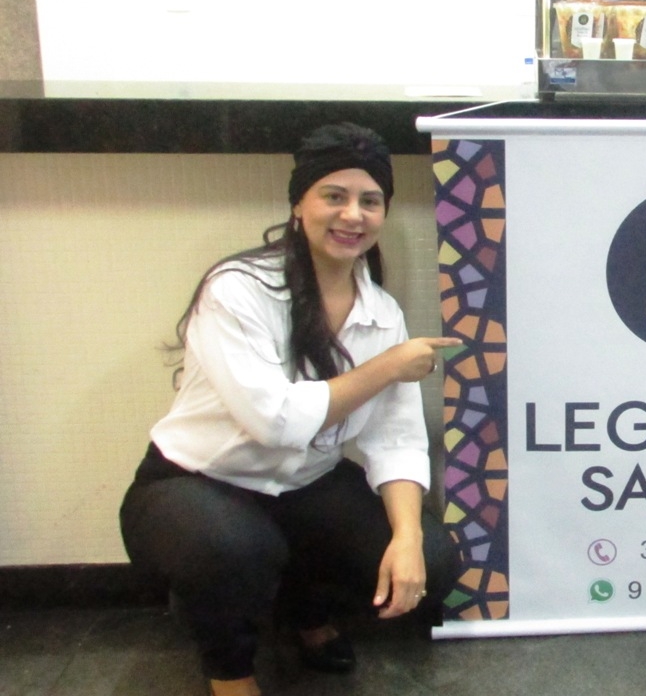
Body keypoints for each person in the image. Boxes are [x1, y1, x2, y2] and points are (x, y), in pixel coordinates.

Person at [119, 123, 463, 696]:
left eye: (370, 201)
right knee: (233, 551)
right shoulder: (237, 288)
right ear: (299, 204)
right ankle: (230, 671)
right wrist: (386, 367)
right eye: (334, 196)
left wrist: (406, 536)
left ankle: (305, 608)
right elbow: (272, 421)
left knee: (434, 557)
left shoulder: (381, 312)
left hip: (303, 485)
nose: (353, 215)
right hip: (195, 484)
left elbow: (396, 437)